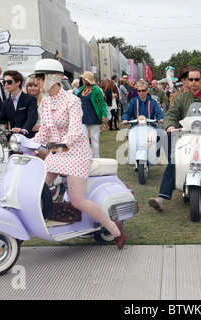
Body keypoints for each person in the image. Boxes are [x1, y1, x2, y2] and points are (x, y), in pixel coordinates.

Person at [32, 59, 125, 249]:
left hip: (76, 153)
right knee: (36, 190)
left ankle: (114, 229)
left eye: (40, 79)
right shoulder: (45, 103)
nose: (37, 83)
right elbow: (45, 132)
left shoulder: (72, 100)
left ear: (51, 78)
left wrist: (63, 143)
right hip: (57, 153)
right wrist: (24, 141)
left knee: (77, 199)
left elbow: (75, 130)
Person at [148, 67, 201, 212]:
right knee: (174, 160)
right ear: (186, 81)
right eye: (191, 79)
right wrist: (170, 126)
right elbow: (172, 113)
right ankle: (161, 198)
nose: (193, 82)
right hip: (184, 135)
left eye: (196, 79)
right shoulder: (180, 98)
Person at [0, 70, 38, 138]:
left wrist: (24, 130)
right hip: (13, 140)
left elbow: (32, 117)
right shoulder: (5, 103)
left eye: (9, 82)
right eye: (4, 82)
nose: (6, 84)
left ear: (18, 83)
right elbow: (0, 121)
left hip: (29, 138)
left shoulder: (30, 99)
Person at [75, 71, 108, 158]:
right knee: (84, 138)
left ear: (86, 80)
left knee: (94, 139)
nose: (82, 79)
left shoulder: (96, 90)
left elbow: (102, 103)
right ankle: (86, 157)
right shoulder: (82, 88)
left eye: (83, 78)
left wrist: (104, 115)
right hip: (83, 117)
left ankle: (96, 158)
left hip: (94, 117)